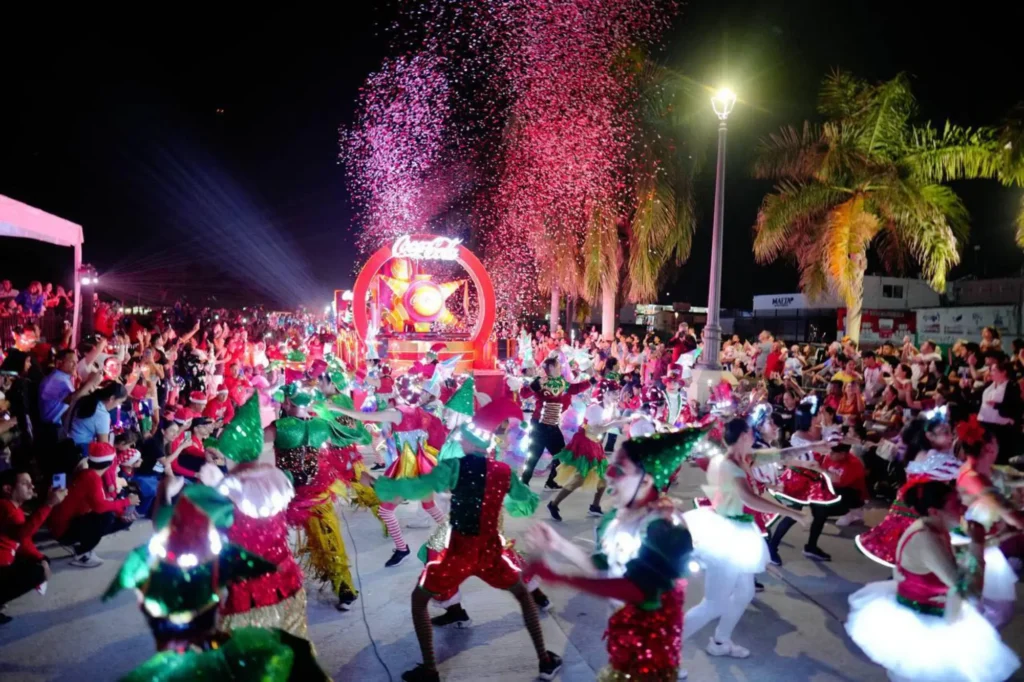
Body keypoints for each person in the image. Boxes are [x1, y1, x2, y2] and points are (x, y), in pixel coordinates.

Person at [375, 398, 562, 682]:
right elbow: (524, 503)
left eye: (463, 439)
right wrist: (505, 501)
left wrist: (381, 485)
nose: (459, 442)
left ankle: (430, 670)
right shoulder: (503, 471)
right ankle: (546, 661)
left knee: (419, 600)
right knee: (523, 596)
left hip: (458, 552)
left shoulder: (453, 467)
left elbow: (417, 487)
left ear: (471, 443)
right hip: (490, 553)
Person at [527, 429, 704, 682]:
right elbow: (600, 567)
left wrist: (561, 577)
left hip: (652, 650)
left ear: (645, 481)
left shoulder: (665, 527)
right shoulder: (616, 519)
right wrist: (559, 545)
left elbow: (639, 590)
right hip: (621, 636)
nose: (609, 475)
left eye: (620, 470)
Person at [103, 485, 329, 680]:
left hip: (245, 607)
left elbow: (165, 523)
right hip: (288, 591)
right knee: (291, 656)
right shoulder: (276, 490)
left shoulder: (220, 509)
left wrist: (166, 492)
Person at [845, 481, 1020, 682]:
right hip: (924, 622)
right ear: (934, 511)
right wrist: (978, 544)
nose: (963, 507)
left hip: (935, 613)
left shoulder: (935, 527)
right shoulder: (925, 538)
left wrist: (999, 537)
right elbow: (968, 590)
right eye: (955, 503)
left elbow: (959, 553)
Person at [682, 418, 808, 659]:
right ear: (742, 437)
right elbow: (749, 498)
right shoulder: (729, 464)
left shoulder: (744, 458)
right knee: (714, 603)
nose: (755, 435)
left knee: (744, 592)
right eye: (751, 433)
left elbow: (780, 454)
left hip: (737, 531)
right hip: (724, 537)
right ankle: (663, 653)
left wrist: (816, 444)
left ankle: (720, 642)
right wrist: (794, 513)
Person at [854, 413, 960, 567]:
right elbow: (964, 472)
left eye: (951, 432)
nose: (951, 436)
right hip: (919, 513)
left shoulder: (921, 454)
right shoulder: (934, 458)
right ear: (929, 436)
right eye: (945, 432)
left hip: (909, 508)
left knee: (910, 558)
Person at [954, 416, 1024, 628]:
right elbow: (1013, 516)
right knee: (992, 610)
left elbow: (1011, 480)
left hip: (988, 544)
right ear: (989, 447)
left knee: (994, 608)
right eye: (995, 441)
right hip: (973, 551)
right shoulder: (974, 478)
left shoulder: (985, 471)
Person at [548, 379, 630, 521]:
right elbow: (598, 428)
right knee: (579, 479)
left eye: (617, 392)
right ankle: (554, 504)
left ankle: (595, 506)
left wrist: (628, 418)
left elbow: (614, 419)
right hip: (585, 443)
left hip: (595, 443)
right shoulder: (595, 409)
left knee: (604, 475)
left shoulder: (610, 406)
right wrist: (615, 423)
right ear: (604, 393)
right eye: (613, 392)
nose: (617, 395)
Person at [47, 442, 137, 567]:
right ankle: (82, 553)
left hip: (62, 525)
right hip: (63, 531)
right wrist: (127, 502)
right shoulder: (92, 478)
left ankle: (82, 543)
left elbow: (102, 502)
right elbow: (100, 507)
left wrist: (121, 513)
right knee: (106, 518)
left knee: (118, 518)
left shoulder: (89, 474)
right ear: (110, 464)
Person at [0, 470, 67, 624]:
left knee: (41, 562)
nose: (31, 486)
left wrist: (41, 558)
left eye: (31, 482)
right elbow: (22, 534)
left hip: (7, 560)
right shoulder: (6, 507)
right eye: (25, 483)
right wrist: (49, 504)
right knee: (36, 572)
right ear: (8, 489)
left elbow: (22, 540)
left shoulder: (13, 507)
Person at [518, 356, 594, 488]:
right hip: (539, 425)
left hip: (553, 425)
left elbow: (575, 389)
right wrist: (532, 387)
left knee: (560, 454)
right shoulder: (540, 381)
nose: (561, 368)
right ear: (551, 367)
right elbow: (523, 394)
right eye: (558, 366)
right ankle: (524, 483)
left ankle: (551, 481)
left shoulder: (562, 382)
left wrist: (591, 381)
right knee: (534, 455)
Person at [67, 381, 127, 457]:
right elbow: (103, 447)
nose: (118, 405)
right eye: (120, 402)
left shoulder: (87, 399)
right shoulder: (103, 415)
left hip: (67, 440)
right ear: (112, 398)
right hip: (78, 450)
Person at [978, 357, 1020, 463]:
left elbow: (1015, 408)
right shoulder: (989, 385)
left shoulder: (1012, 387)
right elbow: (976, 398)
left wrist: (997, 405)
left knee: (999, 457)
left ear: (1003, 372)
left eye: (994, 370)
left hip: (1000, 429)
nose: (990, 373)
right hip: (985, 424)